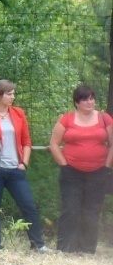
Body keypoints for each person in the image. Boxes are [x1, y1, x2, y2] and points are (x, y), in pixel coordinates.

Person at [0, 80, 49, 251]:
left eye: (13, 93)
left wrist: (24, 163)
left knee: (29, 205)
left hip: (15, 169)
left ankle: (38, 245)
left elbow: (26, 141)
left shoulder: (18, 113)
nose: (13, 97)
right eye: (9, 93)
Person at [48, 84, 113, 254]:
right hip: (71, 173)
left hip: (98, 172)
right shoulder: (66, 119)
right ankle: (65, 248)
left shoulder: (105, 119)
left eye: (91, 98)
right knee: (70, 209)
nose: (89, 102)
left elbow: (112, 144)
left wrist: (107, 166)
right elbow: (54, 144)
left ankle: (87, 249)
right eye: (85, 99)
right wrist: (64, 164)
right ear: (76, 102)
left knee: (91, 210)